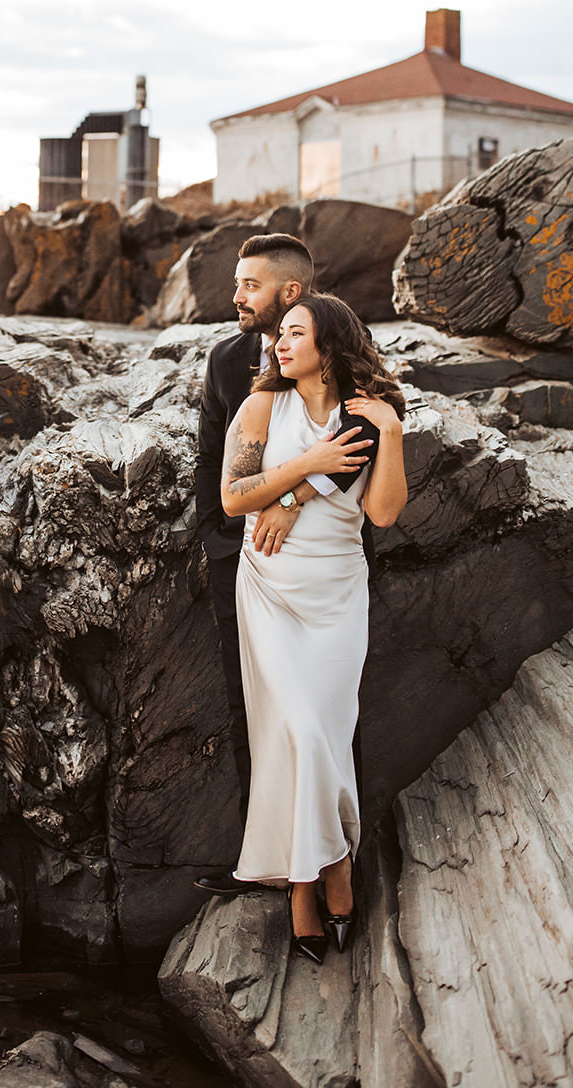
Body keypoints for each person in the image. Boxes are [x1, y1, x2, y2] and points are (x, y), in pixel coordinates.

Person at [220, 293, 407, 962]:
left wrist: (390, 433)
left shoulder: (367, 416)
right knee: (295, 730)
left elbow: (382, 514)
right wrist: (302, 470)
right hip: (270, 585)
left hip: (336, 592)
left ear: (329, 343)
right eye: (278, 335)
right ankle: (319, 876)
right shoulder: (261, 407)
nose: (278, 344)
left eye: (293, 333)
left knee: (322, 734)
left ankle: (319, 870)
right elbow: (234, 498)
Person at [193, 233, 323, 897]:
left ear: (291, 291)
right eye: (238, 284)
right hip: (238, 564)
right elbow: (207, 455)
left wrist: (296, 500)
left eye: (249, 285)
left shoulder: (337, 350)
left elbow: (366, 437)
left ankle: (329, 868)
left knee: (317, 711)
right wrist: (217, 547)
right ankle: (263, 862)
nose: (235, 296)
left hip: (313, 565)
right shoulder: (224, 359)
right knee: (252, 711)